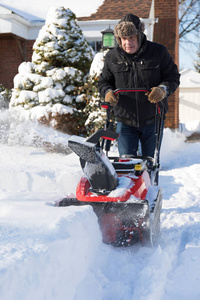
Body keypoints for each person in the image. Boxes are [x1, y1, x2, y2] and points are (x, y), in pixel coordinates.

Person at [98, 13, 180, 183]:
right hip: (125, 120)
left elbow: (172, 77)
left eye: (132, 37)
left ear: (140, 35)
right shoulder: (112, 57)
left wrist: (162, 89)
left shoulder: (158, 52)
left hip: (153, 118)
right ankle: (130, 200)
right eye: (123, 38)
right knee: (127, 164)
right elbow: (104, 82)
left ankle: (149, 196)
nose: (128, 42)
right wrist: (107, 92)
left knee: (149, 164)